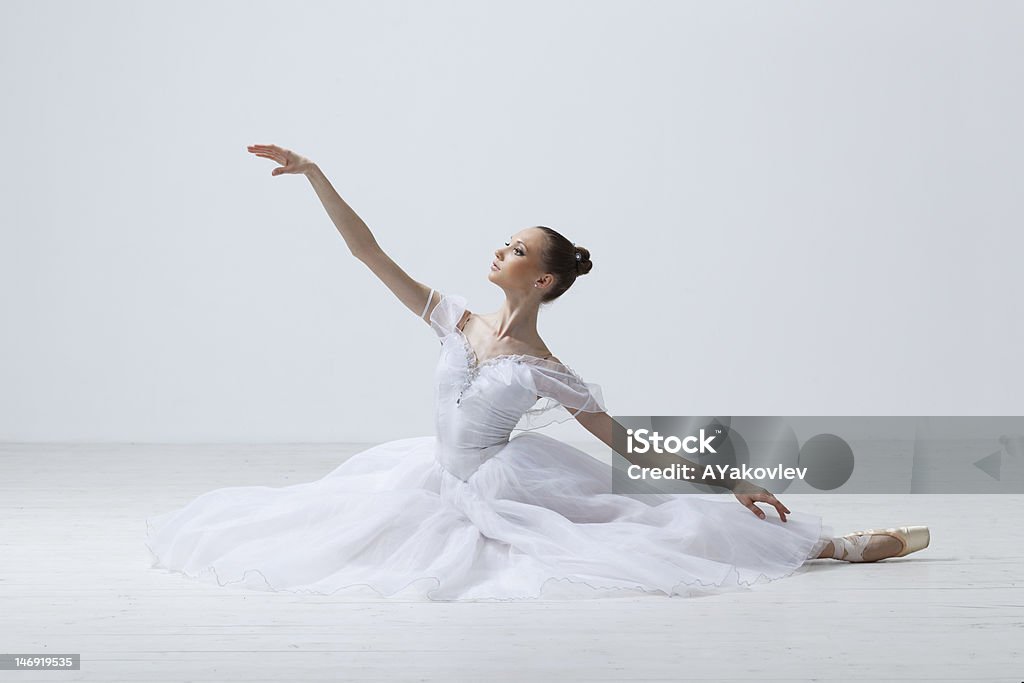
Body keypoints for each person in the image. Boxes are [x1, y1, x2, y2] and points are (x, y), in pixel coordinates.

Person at [143, 144, 930, 600]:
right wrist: (316, 174)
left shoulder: (546, 369)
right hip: (432, 474)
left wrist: (732, 480)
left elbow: (633, 446)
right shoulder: (455, 316)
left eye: (515, 250)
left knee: (653, 527)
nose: (499, 251)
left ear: (542, 280)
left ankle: (832, 547)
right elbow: (366, 251)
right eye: (506, 242)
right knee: (317, 534)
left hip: (504, 484)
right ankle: (832, 547)